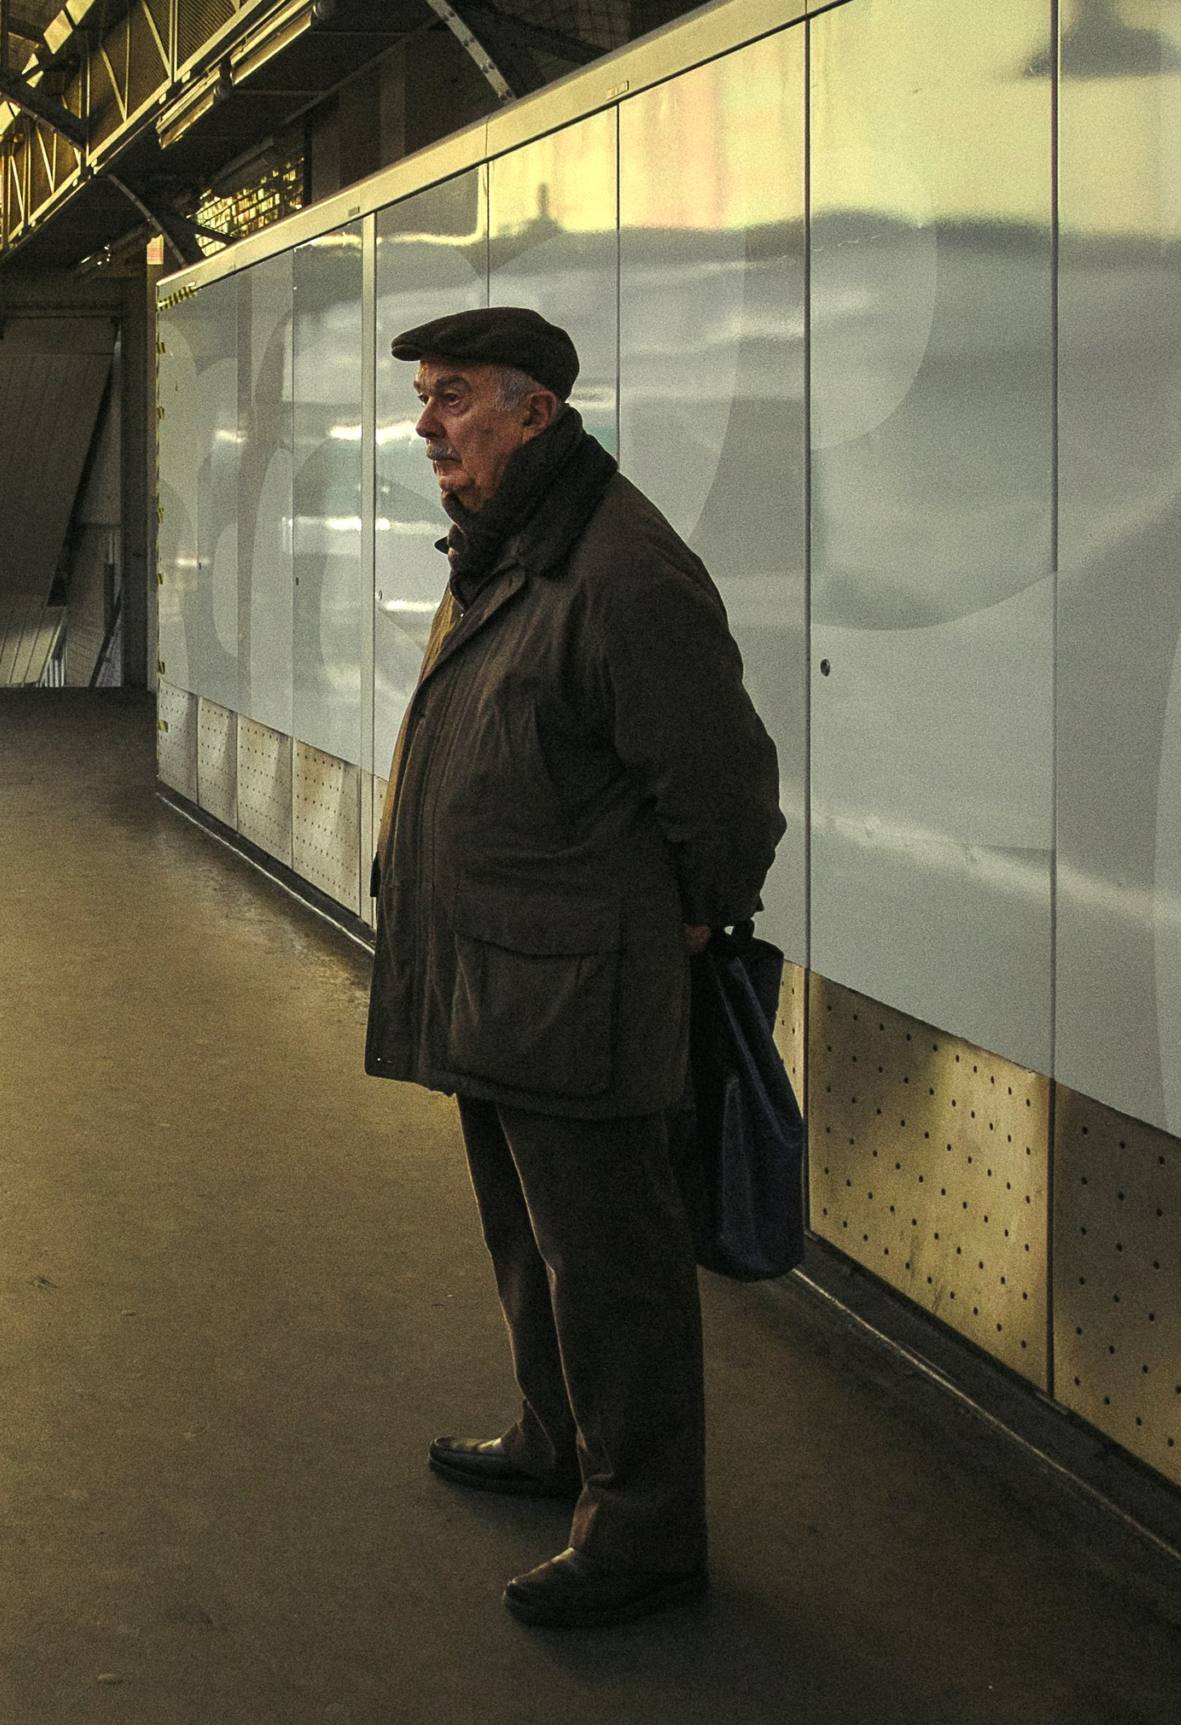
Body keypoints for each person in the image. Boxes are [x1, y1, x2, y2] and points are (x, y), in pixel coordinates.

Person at [365, 306, 785, 1628]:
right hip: (502, 969)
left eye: (456, 397)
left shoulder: (621, 570)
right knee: (529, 1233)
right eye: (427, 397)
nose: (428, 424)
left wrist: (706, 913)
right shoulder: (511, 547)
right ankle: (559, 1441)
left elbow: (725, 784)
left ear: (536, 411)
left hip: (579, 985)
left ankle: (646, 1527)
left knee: (612, 1263)